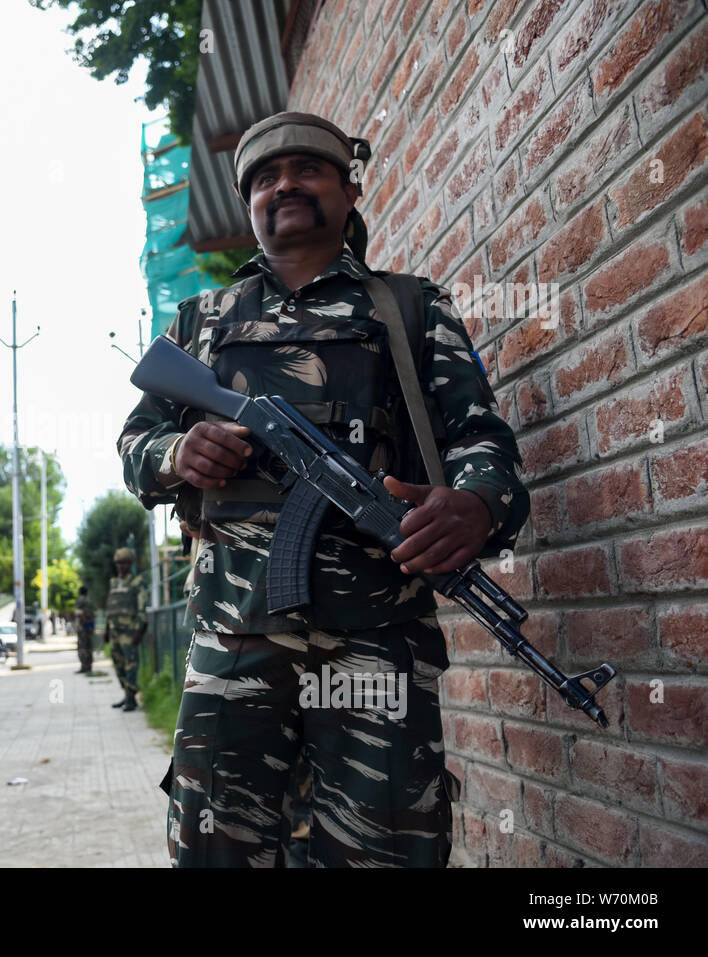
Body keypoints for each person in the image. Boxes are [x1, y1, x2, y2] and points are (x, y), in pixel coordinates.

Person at [117, 111, 529, 867]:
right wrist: (181, 451)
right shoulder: (200, 321)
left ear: (349, 189)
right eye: (265, 178)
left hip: (376, 641)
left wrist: (475, 504)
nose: (285, 186)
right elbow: (134, 445)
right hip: (233, 639)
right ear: (249, 207)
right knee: (217, 849)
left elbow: (481, 438)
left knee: (384, 850)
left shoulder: (410, 308)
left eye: (306, 169)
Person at [103, 547, 147, 711]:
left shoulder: (137, 582)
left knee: (131, 665)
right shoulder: (113, 583)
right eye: (119, 563)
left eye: (124, 563)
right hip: (114, 631)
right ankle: (126, 694)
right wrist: (107, 630)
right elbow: (110, 607)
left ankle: (131, 697)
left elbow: (142, 607)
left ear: (130, 564)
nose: (121, 566)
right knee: (118, 664)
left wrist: (139, 630)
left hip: (129, 631)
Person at [74, 584, 96, 673]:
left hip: (83, 626)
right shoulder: (90, 601)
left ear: (80, 592)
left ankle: (84, 667)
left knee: (82, 646)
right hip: (90, 625)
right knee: (89, 646)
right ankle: (89, 666)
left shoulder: (80, 600)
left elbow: (78, 612)